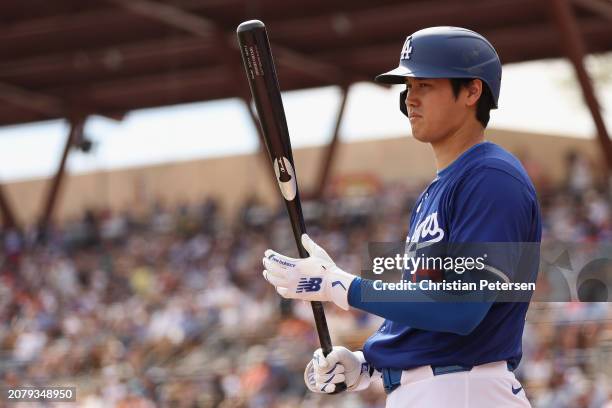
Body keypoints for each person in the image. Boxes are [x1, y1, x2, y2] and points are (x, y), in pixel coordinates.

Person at [262, 26, 541, 407]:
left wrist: (341, 286)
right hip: (435, 391)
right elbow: (426, 305)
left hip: (465, 391)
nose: (411, 99)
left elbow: (462, 308)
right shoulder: (436, 191)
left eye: (425, 85)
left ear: (473, 91)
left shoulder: (491, 177)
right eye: (408, 88)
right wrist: (366, 365)